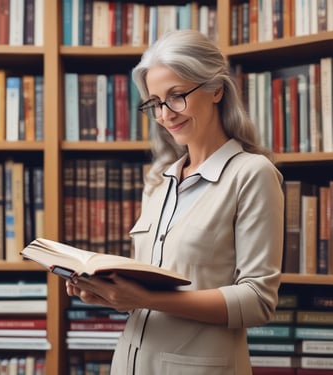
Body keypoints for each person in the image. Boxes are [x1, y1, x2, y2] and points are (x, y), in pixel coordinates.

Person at [66, 29, 284, 375]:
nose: (166, 114)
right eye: (155, 102)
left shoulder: (252, 174)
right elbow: (151, 287)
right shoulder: (158, 180)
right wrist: (110, 292)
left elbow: (257, 301)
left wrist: (145, 299)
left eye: (177, 96)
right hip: (129, 364)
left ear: (217, 90)